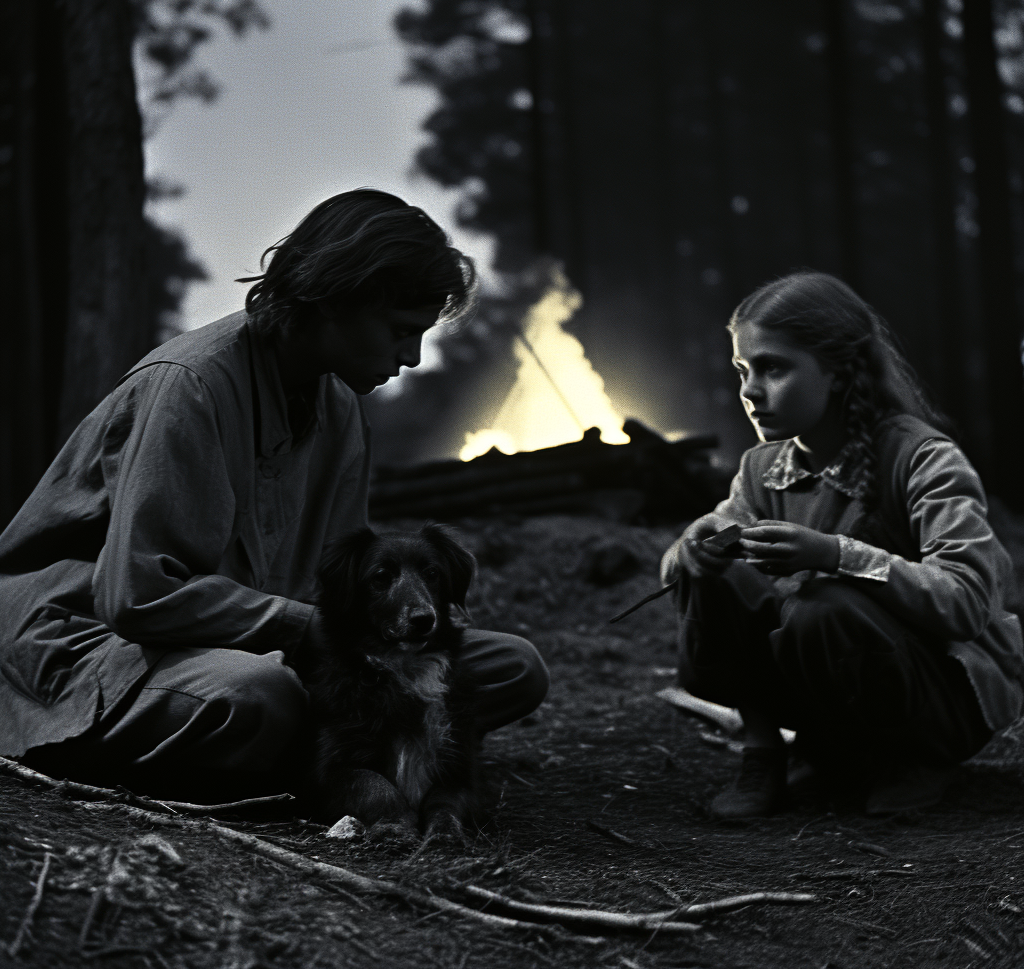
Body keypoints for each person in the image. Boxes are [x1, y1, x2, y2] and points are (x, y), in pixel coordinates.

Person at [0, 188, 548, 803]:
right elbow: (138, 596)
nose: (412, 356)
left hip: (266, 651)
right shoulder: (190, 388)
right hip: (97, 649)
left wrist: (385, 625)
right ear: (338, 299)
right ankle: (324, 766)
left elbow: (338, 581)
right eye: (399, 330)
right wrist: (307, 628)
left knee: (511, 668)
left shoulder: (338, 402)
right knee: (257, 698)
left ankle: (324, 760)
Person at [660, 272, 1024, 817]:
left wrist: (836, 554)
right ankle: (767, 752)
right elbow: (681, 571)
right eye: (743, 370)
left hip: (940, 695)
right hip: (839, 684)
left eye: (774, 368)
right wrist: (693, 547)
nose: (750, 391)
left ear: (835, 371)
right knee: (716, 574)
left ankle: (911, 761)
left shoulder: (922, 459)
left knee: (823, 608)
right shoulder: (765, 469)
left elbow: (967, 602)